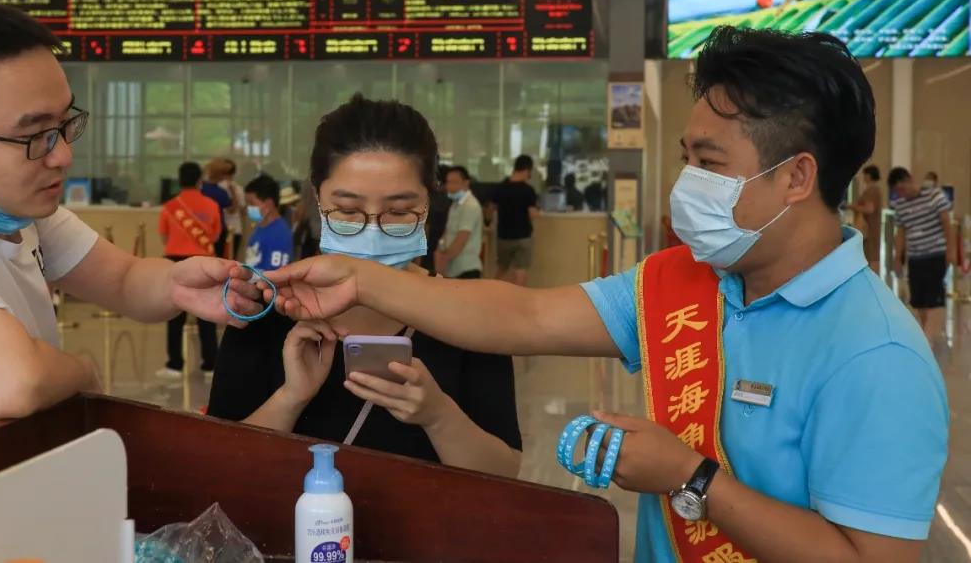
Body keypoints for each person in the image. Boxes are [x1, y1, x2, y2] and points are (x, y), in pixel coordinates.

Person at [266, 28, 947, 563]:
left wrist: (692, 477)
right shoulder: (684, 281)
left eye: (709, 164)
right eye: (688, 157)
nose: (688, 182)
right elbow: (525, 315)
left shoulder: (876, 354)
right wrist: (359, 277)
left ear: (797, 177)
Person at [0, 2, 260, 446]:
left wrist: (178, 283)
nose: (62, 155)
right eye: (34, 136)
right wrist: (83, 371)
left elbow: (123, 279)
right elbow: (9, 384)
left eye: (64, 125)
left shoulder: (1, 202)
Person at [208, 94, 521, 478]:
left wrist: (438, 416)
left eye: (399, 212)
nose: (372, 232)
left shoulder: (470, 316)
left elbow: (505, 473)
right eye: (348, 211)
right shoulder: (266, 310)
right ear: (317, 198)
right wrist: (290, 399)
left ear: (428, 204)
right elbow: (222, 466)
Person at [157, 162, 225, 379]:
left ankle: (174, 365)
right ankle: (210, 365)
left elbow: (164, 236)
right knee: (206, 313)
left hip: (176, 262)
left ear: (180, 180)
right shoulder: (212, 205)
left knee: (174, 314)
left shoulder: (169, 207)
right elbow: (215, 236)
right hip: (204, 263)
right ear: (199, 181)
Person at [889, 166, 955, 348]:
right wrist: (897, 259)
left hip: (936, 255)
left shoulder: (935, 196)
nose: (901, 194)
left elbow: (947, 225)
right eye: (897, 192)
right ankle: (928, 335)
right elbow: (900, 233)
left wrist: (951, 251)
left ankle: (927, 339)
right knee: (919, 301)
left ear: (910, 180)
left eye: (902, 189)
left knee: (935, 300)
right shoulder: (900, 205)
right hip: (916, 259)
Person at [491, 155, 538, 286]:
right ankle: (518, 300)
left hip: (503, 236)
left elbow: (491, 209)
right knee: (520, 271)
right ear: (527, 170)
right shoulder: (528, 190)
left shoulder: (501, 187)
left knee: (502, 269)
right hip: (523, 236)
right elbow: (533, 214)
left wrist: (488, 223)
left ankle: (491, 295)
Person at [436, 166, 484, 279]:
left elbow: (461, 239)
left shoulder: (470, 205)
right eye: (448, 182)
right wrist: (440, 249)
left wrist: (443, 259)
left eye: (454, 182)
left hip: (466, 269)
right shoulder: (455, 204)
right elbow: (447, 232)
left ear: (466, 183)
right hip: (452, 268)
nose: (450, 187)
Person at [244, 174, 294, 271]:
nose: (248, 208)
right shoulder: (261, 226)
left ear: (268, 204)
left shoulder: (279, 235)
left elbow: (275, 276)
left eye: (251, 203)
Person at [849, 164, 883, 274]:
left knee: (871, 257)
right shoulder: (874, 189)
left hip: (870, 229)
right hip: (870, 229)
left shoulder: (872, 190)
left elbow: (869, 209)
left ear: (869, 176)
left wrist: (852, 206)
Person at [200, 159, 233, 259]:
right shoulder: (221, 193)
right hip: (218, 228)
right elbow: (231, 207)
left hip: (201, 227)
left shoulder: (201, 190)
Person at [423, 164, 450, 272]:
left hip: (429, 250)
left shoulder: (430, 200)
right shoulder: (453, 201)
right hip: (445, 249)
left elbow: (426, 228)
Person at [219, 159, 246, 258]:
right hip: (235, 229)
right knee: (232, 259)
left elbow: (237, 209)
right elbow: (242, 210)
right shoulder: (238, 188)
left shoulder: (217, 187)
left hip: (223, 229)